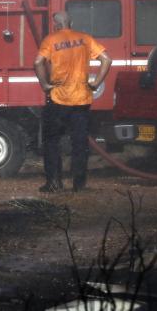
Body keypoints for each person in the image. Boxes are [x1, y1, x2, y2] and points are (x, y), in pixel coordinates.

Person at [34, 11, 112, 192]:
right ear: (71, 22)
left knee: (52, 141)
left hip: (58, 99)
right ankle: (79, 185)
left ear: (55, 25)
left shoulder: (51, 40)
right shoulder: (85, 38)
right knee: (80, 143)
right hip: (81, 100)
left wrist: (45, 85)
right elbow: (107, 59)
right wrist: (96, 83)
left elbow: (38, 62)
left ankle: (54, 183)